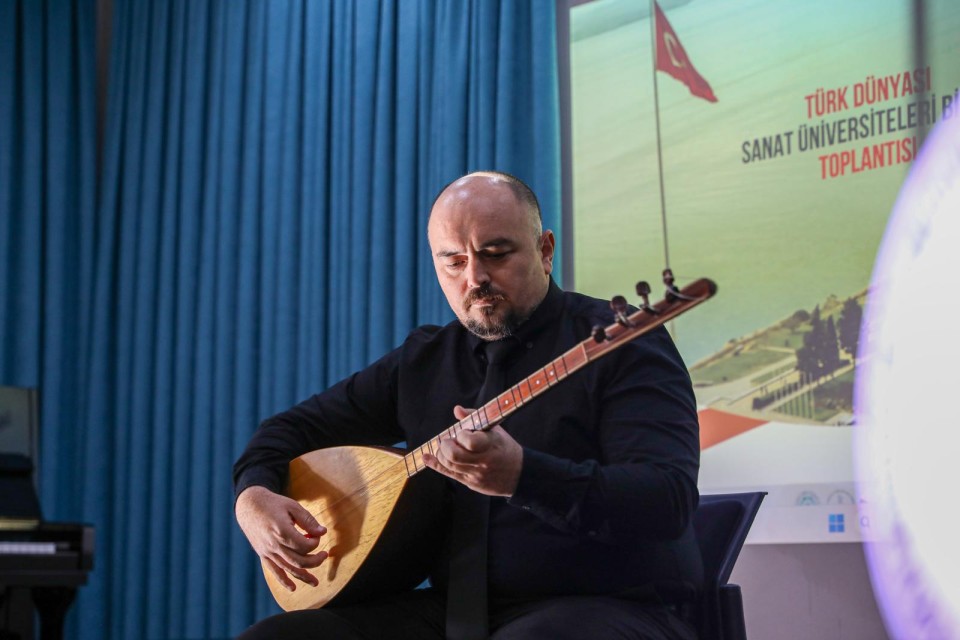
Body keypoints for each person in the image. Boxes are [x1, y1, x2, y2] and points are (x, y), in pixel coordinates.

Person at [233, 171, 703, 639]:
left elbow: (666, 499)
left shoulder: (620, 342)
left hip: (607, 604)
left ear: (545, 250)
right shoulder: (424, 361)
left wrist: (523, 477)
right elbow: (287, 431)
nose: (475, 278)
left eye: (495, 254)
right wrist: (253, 497)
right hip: (456, 612)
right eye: (454, 262)